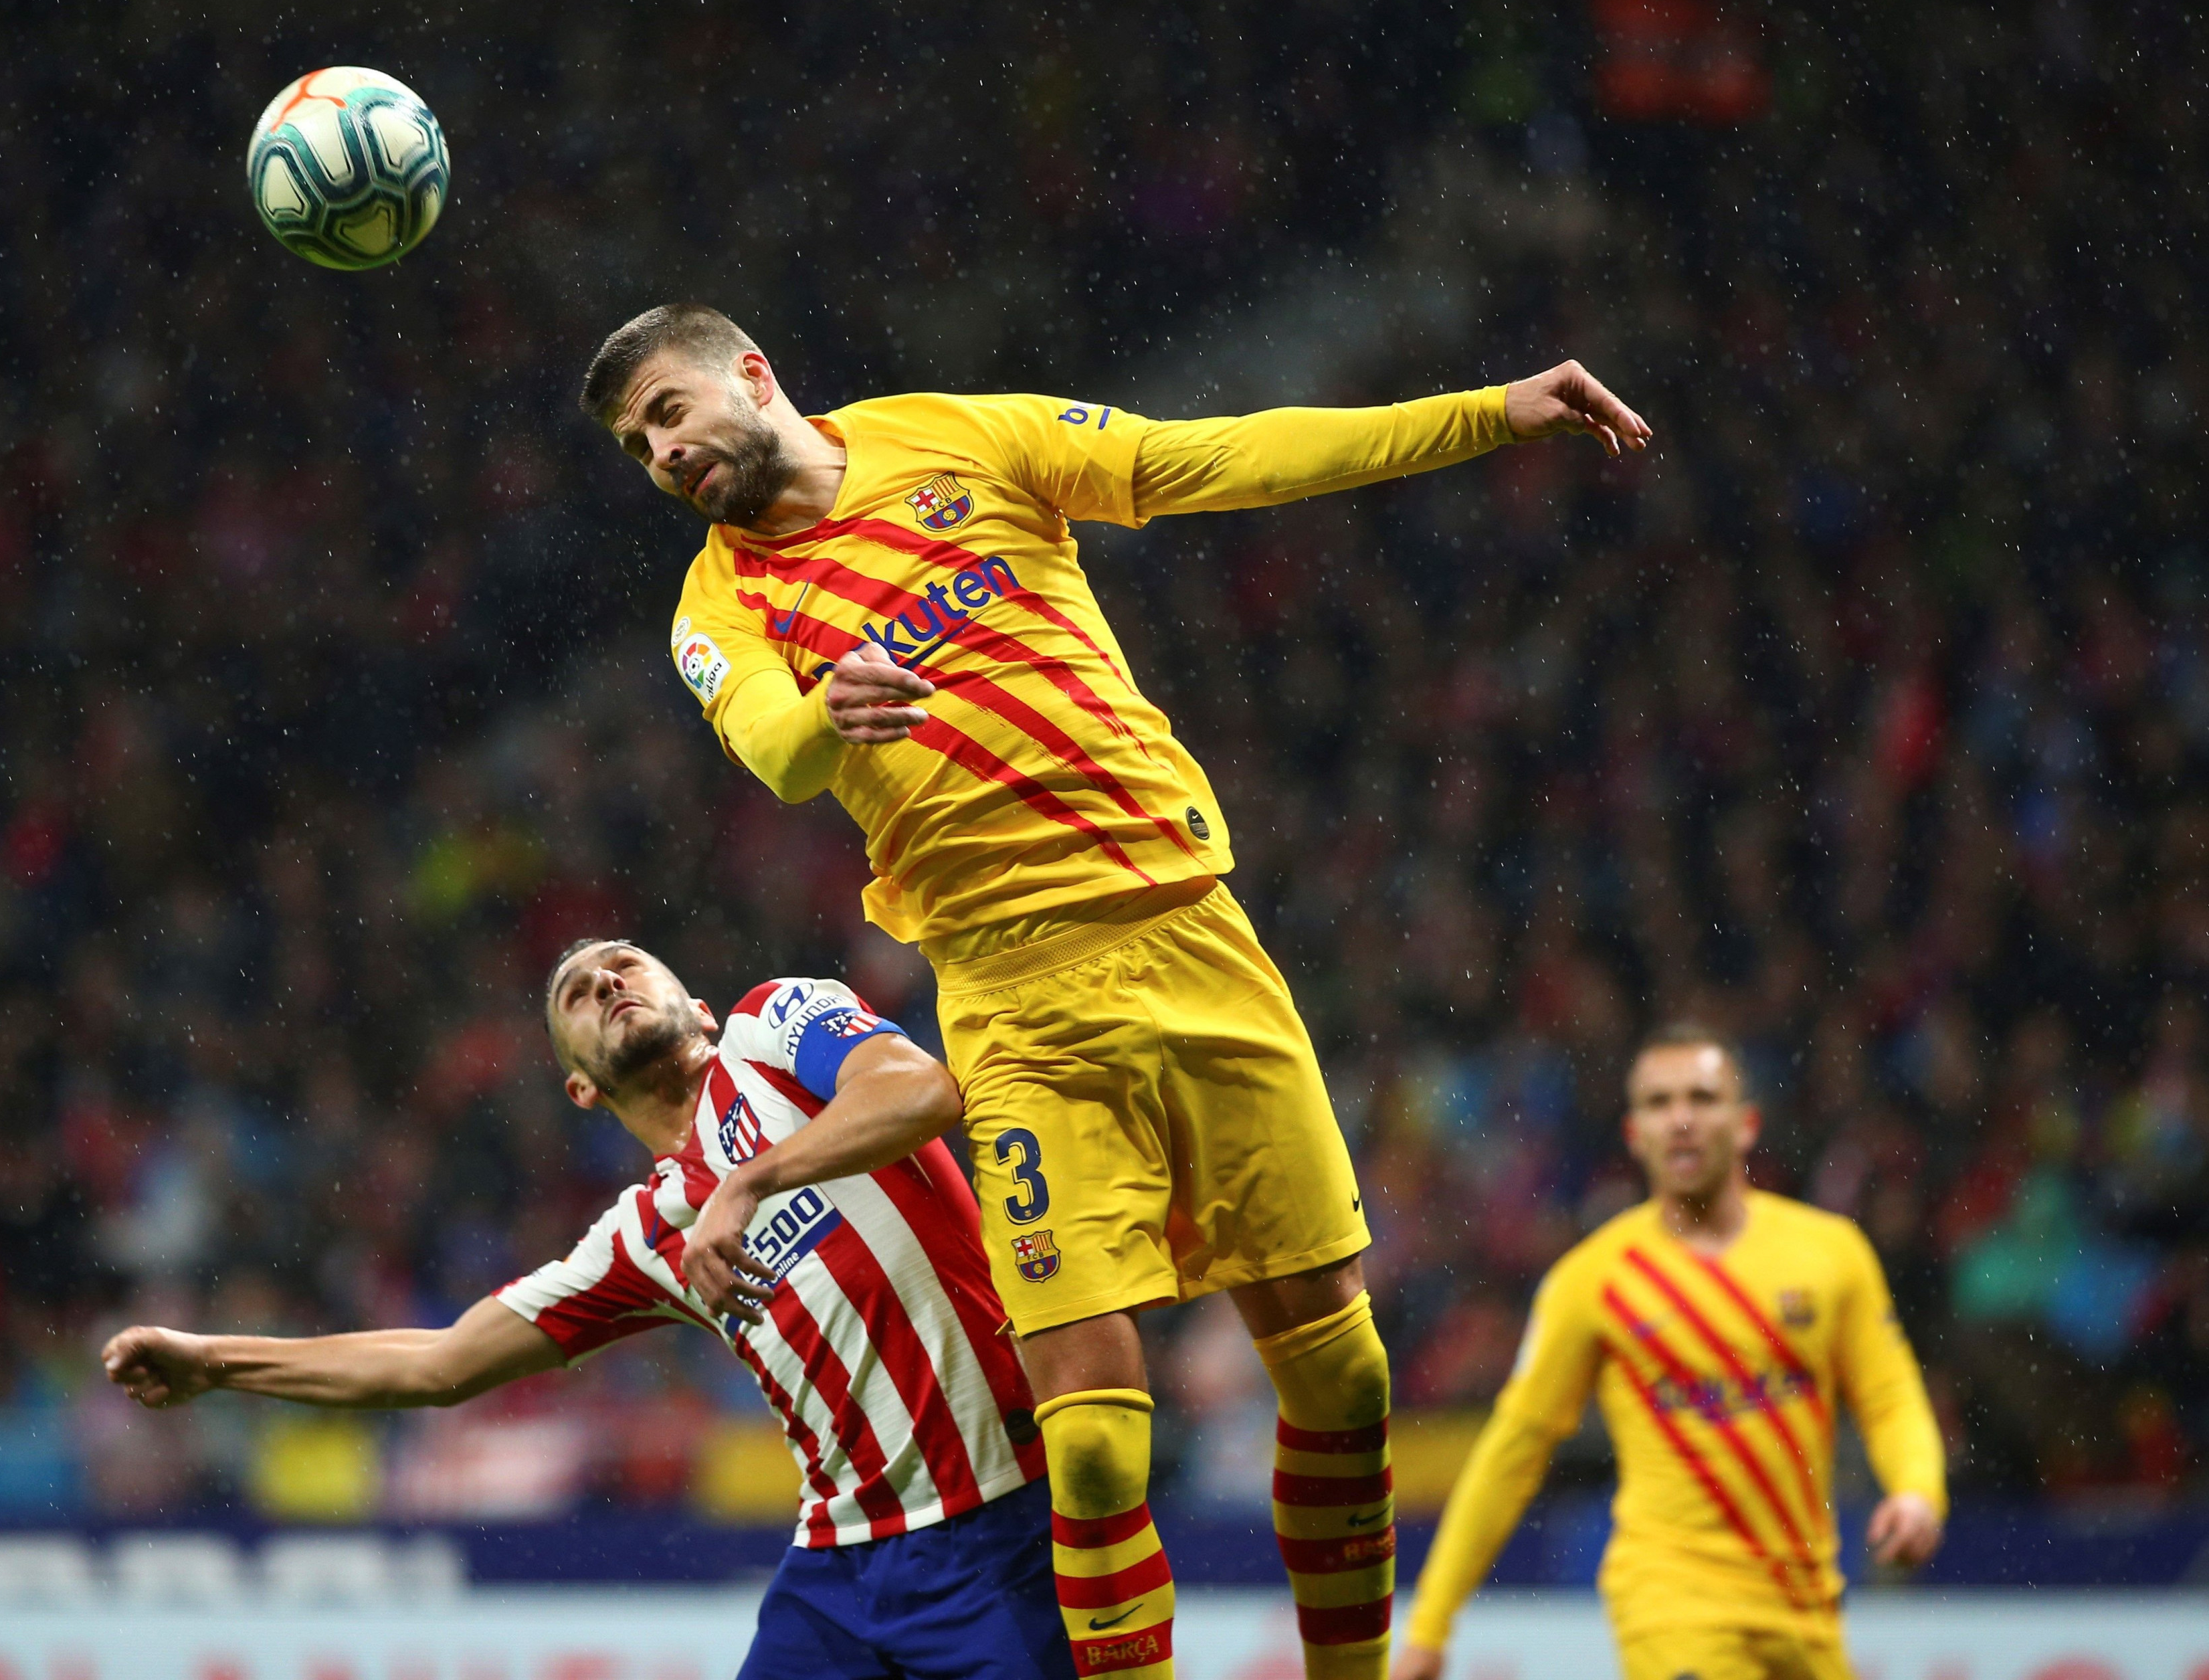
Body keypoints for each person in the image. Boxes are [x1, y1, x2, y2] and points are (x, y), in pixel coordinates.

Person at [583, 302, 1652, 1680]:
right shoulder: (715, 606)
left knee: (1342, 1378)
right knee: (1087, 1434)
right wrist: (821, 710)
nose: (660, 452)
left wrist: (1480, 412)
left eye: (667, 412)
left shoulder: (958, 434)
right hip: (1013, 999)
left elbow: (1219, 459)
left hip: (1191, 935)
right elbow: (772, 747)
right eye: (634, 446)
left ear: (751, 372)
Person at [105, 939, 1074, 1680]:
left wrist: (747, 1184)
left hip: (1002, 1522)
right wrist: (218, 1362)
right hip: (842, 1566)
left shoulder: (775, 1028)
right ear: (579, 1083)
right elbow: (440, 1363)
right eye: (579, 993)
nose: (608, 981)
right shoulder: (642, 1235)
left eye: (626, 966)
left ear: (694, 1005)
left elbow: (922, 1088)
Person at [1391, 1026, 1947, 1680]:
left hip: (1806, 1607)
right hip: (1670, 1603)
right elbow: (1512, 1451)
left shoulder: (1830, 1255)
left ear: (1745, 1125)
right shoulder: (1592, 1281)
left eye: (1701, 1098)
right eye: (1658, 1104)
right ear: (1635, 1135)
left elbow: (1888, 1397)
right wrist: (1429, 1624)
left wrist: (1917, 1492)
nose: (1680, 1119)